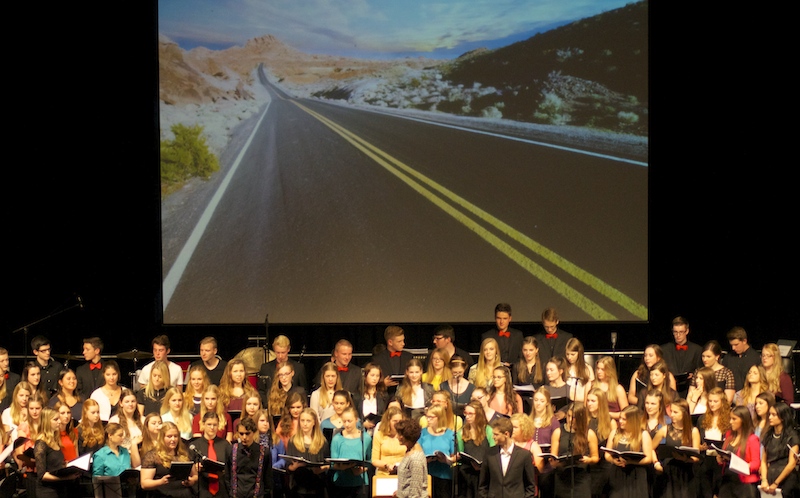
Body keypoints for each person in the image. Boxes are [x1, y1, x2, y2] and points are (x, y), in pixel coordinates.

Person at [650, 398, 700, 498]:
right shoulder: (665, 429)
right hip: (668, 472)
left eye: (675, 412)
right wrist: (656, 463)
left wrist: (685, 459)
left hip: (686, 473)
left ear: (684, 414)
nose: (671, 414)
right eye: (671, 411)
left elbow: (696, 457)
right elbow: (651, 448)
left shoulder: (693, 431)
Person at [477, 416, 537, 498]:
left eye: (496, 434)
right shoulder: (489, 454)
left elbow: (530, 485)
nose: (493, 437)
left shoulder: (524, 455)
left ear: (506, 434)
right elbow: (483, 484)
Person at [550, 402, 600, 498]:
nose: (570, 420)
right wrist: (554, 462)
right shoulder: (558, 432)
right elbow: (553, 456)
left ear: (581, 418)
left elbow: (595, 457)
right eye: (568, 416)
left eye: (573, 417)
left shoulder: (589, 434)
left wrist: (588, 460)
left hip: (581, 477)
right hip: (562, 476)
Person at [140, 421, 198, 497]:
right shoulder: (152, 456)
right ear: (162, 438)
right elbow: (144, 483)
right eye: (169, 436)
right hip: (162, 494)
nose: (173, 439)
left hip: (184, 494)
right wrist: (160, 482)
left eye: (175, 436)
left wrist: (191, 481)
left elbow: (195, 475)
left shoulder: (184, 453)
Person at [604, 405, 653, 498]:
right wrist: (613, 460)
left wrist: (630, 461)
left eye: (624, 419)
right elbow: (607, 454)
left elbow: (648, 458)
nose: (620, 421)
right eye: (620, 418)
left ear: (632, 420)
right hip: (618, 474)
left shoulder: (643, 434)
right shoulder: (614, 433)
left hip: (636, 476)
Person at [34, 407, 82, 498]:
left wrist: (66, 466)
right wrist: (66, 478)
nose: (59, 422)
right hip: (47, 491)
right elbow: (42, 475)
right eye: (55, 419)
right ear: (47, 422)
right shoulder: (41, 443)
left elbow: (53, 464)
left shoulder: (54, 439)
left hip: (59, 489)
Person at [284, 407, 330, 498]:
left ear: (314, 422)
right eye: (302, 420)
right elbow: (288, 467)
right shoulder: (293, 441)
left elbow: (327, 463)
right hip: (298, 487)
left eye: (308, 421)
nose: (305, 424)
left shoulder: (322, 441)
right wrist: (294, 466)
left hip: (317, 487)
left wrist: (320, 469)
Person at [716, 405, 760, 498]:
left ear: (743, 420)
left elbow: (756, 463)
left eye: (734, 419)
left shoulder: (752, 439)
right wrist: (720, 459)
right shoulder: (730, 437)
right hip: (727, 481)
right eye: (730, 418)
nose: (730, 422)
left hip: (743, 484)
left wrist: (742, 466)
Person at [696, 387, 732, 498]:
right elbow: (697, 439)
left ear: (722, 402)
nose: (712, 404)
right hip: (705, 459)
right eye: (710, 401)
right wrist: (700, 446)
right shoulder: (702, 419)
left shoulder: (729, 419)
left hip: (720, 461)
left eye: (715, 401)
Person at [330, 406, 372, 498]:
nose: (347, 424)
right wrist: (343, 466)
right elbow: (333, 464)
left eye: (349, 421)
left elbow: (370, 460)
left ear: (356, 420)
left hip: (360, 483)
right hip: (341, 483)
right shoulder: (337, 439)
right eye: (344, 421)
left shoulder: (366, 438)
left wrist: (362, 469)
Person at [759, 402, 799, 497]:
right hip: (770, 476)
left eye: (774, 415)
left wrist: (776, 483)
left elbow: (791, 464)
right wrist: (764, 480)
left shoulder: (792, 436)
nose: (770, 417)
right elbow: (764, 461)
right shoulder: (768, 435)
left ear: (782, 417)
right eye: (769, 414)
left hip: (787, 479)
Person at [457, 401, 494, 498]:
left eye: (470, 414)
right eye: (466, 413)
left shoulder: (488, 430)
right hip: (467, 473)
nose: (467, 416)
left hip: (484, 473)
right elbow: (461, 452)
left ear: (479, 414)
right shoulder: (461, 432)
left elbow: (494, 451)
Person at [193, 411, 234, 498]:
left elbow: (231, 467)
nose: (212, 427)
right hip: (202, 489)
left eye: (215, 425)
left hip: (222, 489)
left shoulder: (225, 445)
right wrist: (195, 468)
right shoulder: (195, 446)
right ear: (203, 424)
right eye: (209, 424)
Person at [660, 316, 703, 396]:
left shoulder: (697, 350)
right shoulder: (664, 349)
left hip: (689, 390)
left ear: (687, 331)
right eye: (675, 332)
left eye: (681, 332)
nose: (678, 335)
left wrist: (694, 375)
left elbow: (701, 370)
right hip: (669, 390)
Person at [418, 404, 455, 498]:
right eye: (427, 417)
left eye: (431, 417)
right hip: (426, 475)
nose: (428, 419)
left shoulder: (450, 434)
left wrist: (446, 460)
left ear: (440, 417)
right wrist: (425, 459)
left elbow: (453, 456)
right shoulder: (422, 433)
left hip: (444, 476)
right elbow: (417, 452)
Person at [258, 335, 308, 404]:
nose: (280, 356)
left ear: (288, 349)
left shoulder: (299, 368)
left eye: (283, 352)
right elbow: (261, 391)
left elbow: (304, 390)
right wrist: (270, 404)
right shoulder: (265, 368)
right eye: (277, 352)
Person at [586, 387, 615, 498]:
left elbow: (614, 446)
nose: (589, 403)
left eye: (593, 401)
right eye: (588, 400)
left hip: (604, 466)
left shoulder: (610, 422)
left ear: (601, 402)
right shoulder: (584, 420)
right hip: (587, 465)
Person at [371, 326, 414, 394]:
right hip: (385, 395)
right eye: (399, 341)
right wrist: (383, 384)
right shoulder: (378, 359)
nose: (403, 344)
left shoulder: (408, 357)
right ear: (390, 342)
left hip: (406, 394)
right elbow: (370, 382)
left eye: (403, 340)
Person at [394, 418, 428, 498]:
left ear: (405, 436)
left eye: (399, 434)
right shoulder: (409, 451)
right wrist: (400, 492)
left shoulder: (415, 459)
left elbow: (415, 492)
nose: (396, 437)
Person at [353, 362, 388, 435]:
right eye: (372, 375)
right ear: (365, 376)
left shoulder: (383, 395)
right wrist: (362, 424)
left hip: (378, 431)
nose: (375, 378)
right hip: (361, 432)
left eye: (377, 376)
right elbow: (354, 414)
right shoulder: (358, 395)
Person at [721, 326, 760, 392]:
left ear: (744, 341)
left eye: (736, 345)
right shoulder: (728, 358)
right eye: (731, 345)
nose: (733, 348)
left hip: (749, 395)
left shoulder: (756, 358)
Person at [372, 405, 407, 476]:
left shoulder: (405, 435)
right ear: (388, 421)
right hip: (384, 474)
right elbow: (374, 460)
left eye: (400, 421)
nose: (398, 424)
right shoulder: (379, 435)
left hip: (403, 473)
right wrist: (386, 465)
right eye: (395, 421)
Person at [592, 355, 628, 420]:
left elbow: (626, 413)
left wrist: (607, 414)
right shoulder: (591, 385)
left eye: (602, 369)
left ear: (610, 370)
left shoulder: (618, 389)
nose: (599, 372)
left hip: (613, 422)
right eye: (598, 368)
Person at [565, 337, 595, 402]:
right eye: (567, 354)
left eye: (572, 354)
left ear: (579, 353)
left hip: (582, 403)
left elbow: (591, 390)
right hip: (567, 403)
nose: (569, 357)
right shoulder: (564, 368)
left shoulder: (587, 369)